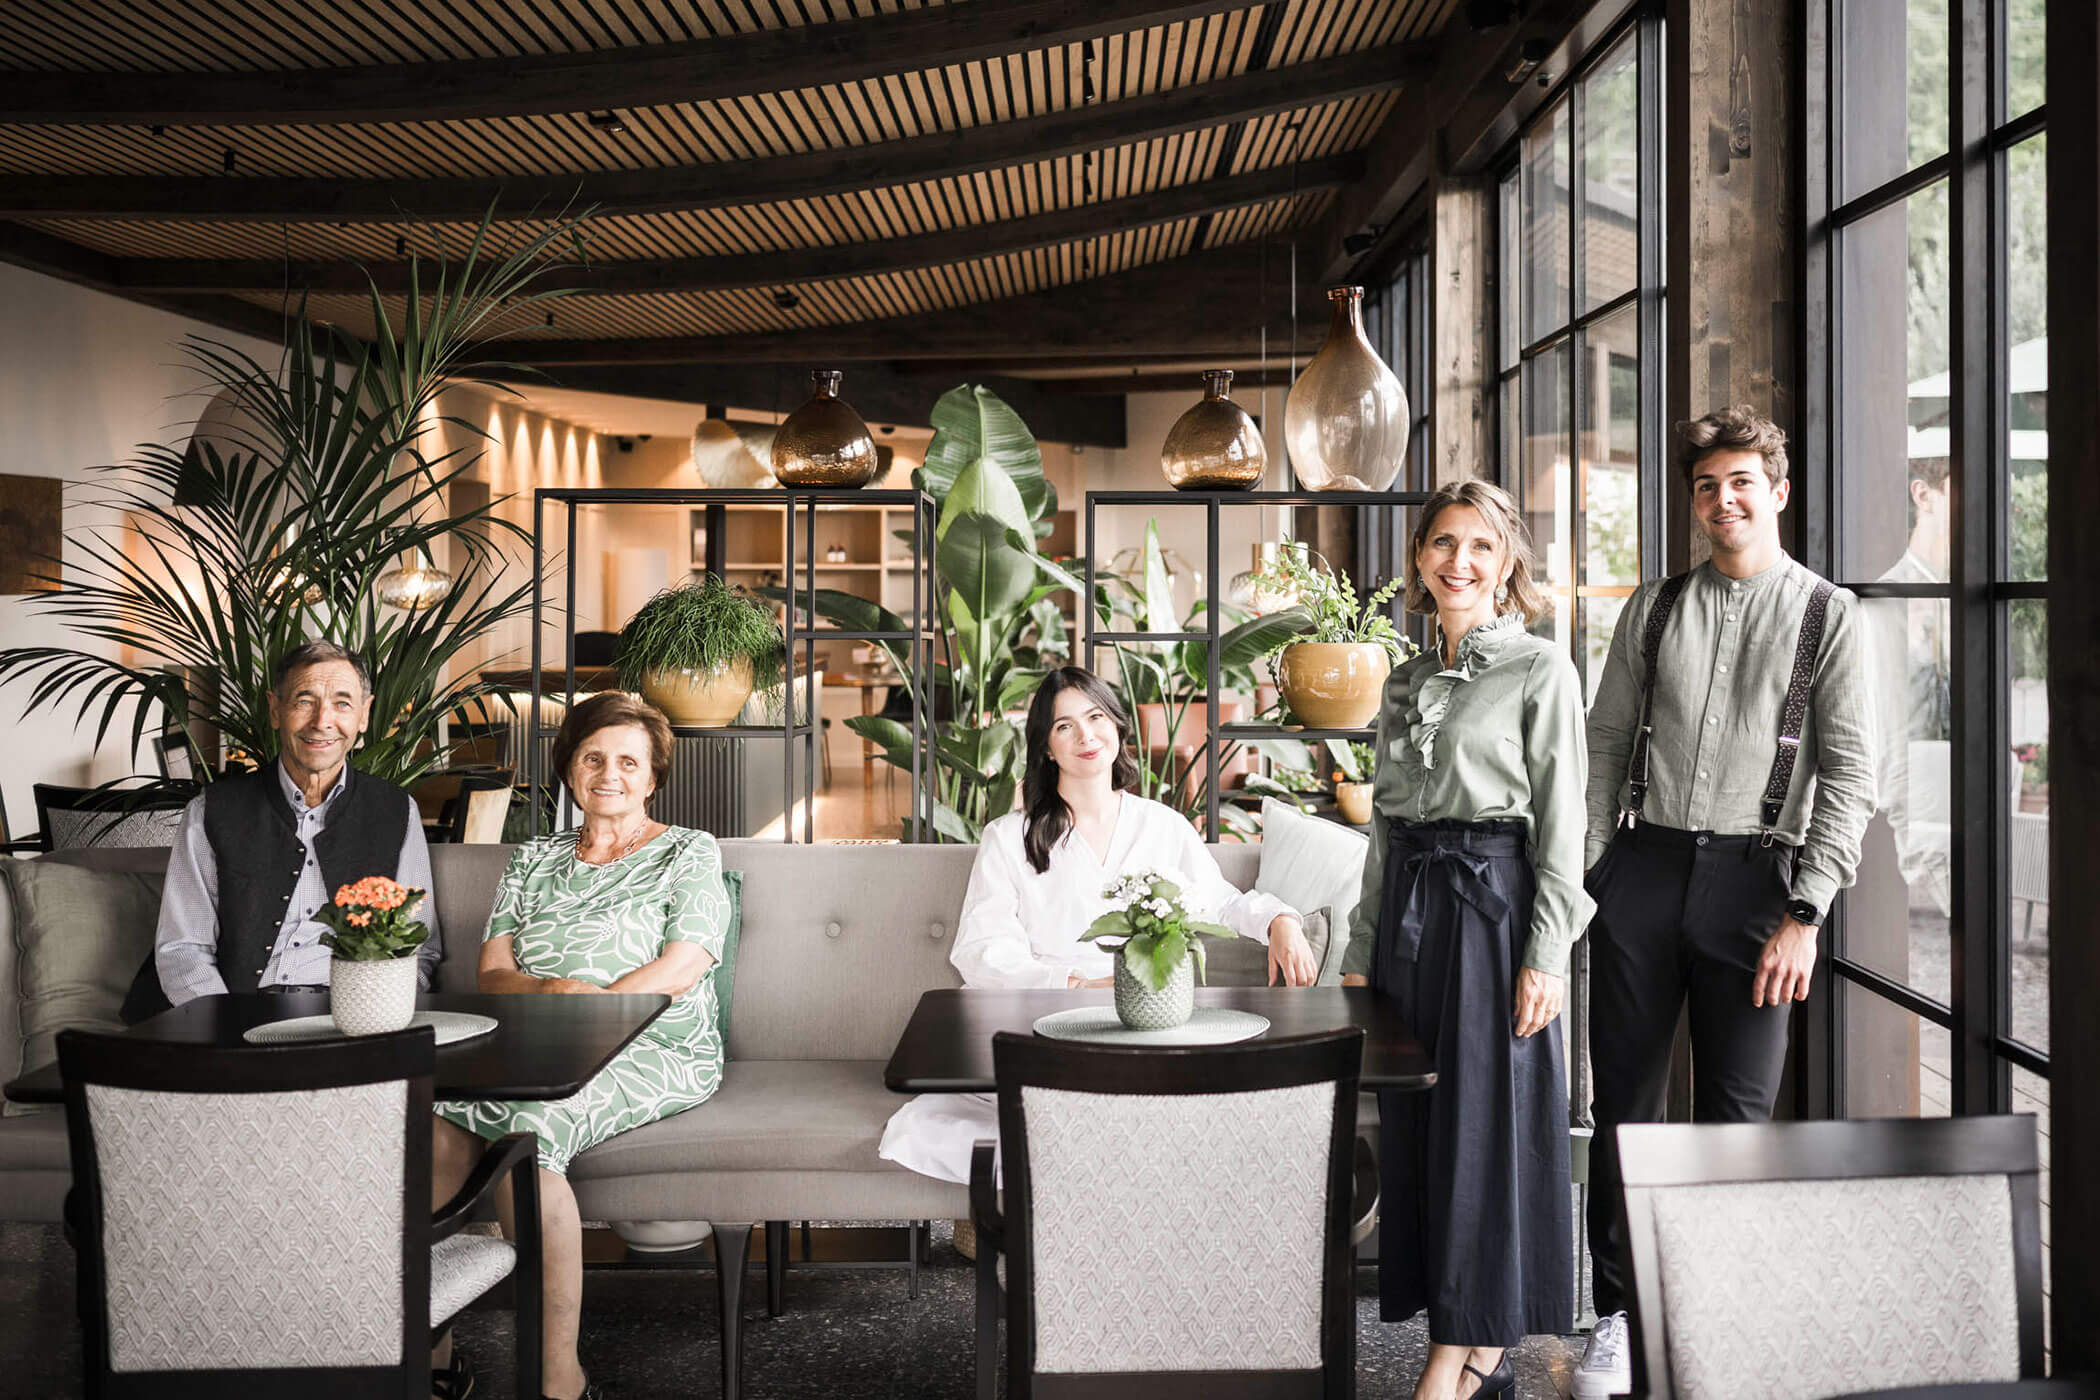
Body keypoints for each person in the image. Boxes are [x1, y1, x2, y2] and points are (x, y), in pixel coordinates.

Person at [1573, 407, 1876, 1400]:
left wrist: (1807, 909)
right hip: (1644, 870)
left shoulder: (1830, 616)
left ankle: (1717, 1318)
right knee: (1625, 1110)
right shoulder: (1653, 608)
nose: (1723, 500)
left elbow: (1850, 774)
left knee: (1737, 1116)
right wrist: (1590, 878)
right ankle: (1617, 1317)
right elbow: (1605, 743)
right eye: (1707, 485)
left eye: (1742, 481)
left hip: (1761, 885)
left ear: (1778, 489)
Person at [878, 665, 1319, 1192]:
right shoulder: (1008, 837)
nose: (1085, 736)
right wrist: (1075, 986)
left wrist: (1279, 920)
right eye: (1064, 726)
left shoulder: (1162, 826)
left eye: (1095, 717)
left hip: (1145, 1028)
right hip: (1044, 1026)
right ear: (1046, 747)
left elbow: (1219, 902)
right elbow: (982, 950)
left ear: (1116, 726)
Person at [1339, 480, 1589, 1400]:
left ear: (1507, 562)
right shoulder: (1401, 682)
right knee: (1421, 1126)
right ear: (1419, 560)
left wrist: (1547, 953)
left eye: (1480, 546)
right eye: (1443, 544)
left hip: (1494, 912)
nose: (1459, 562)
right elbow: (1383, 831)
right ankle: (1471, 1343)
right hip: (1410, 908)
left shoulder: (1540, 670)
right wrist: (1362, 948)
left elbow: (1567, 827)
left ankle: (1461, 1353)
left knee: (1484, 1127)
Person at [431, 692, 731, 1400]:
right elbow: (494, 972)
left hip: (653, 1046)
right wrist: (551, 1000)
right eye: (593, 758)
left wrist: (594, 1014)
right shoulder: (534, 857)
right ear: (569, 770)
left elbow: (686, 961)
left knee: (531, 1129)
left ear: (653, 777)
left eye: (629, 761)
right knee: (435, 1128)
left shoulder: (688, 850)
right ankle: (432, 1356)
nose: (610, 774)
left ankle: (558, 1378)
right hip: (532, 1043)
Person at [124, 640, 440, 1022]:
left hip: (352, 1013)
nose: (322, 721)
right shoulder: (211, 811)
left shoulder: (396, 811)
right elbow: (183, 950)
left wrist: (373, 1008)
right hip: (236, 1010)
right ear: (275, 710)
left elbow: (417, 947)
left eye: (342, 703)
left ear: (364, 715)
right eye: (304, 700)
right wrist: (226, 1024)